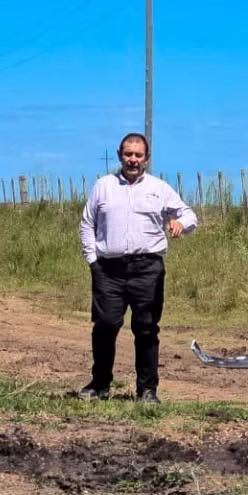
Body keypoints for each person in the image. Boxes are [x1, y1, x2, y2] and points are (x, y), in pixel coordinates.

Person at [79, 132, 198, 404]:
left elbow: (189, 215)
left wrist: (181, 224)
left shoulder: (159, 188)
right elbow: (87, 224)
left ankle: (147, 390)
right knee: (106, 325)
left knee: (146, 328)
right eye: (128, 154)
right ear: (120, 155)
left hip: (148, 269)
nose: (133, 159)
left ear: (147, 158)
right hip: (108, 269)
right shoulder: (103, 186)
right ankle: (100, 385)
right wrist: (93, 261)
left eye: (138, 155)